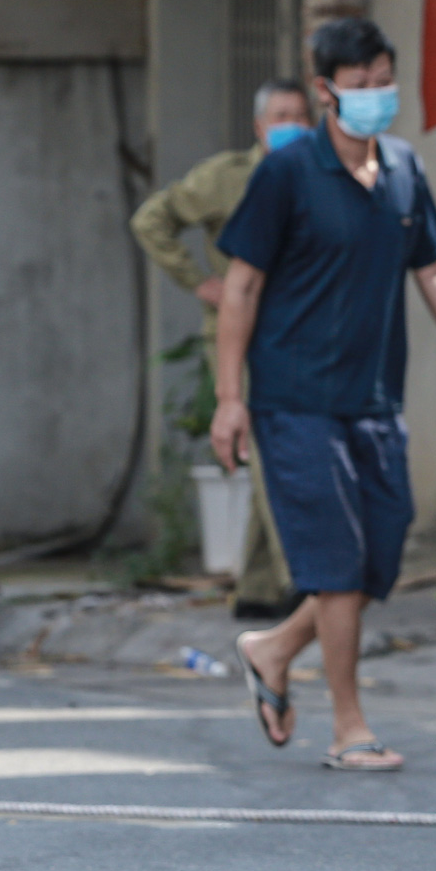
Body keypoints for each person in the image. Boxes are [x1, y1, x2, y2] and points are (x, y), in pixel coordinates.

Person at [212, 18, 436, 770]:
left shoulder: (405, 171)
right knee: (339, 568)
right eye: (361, 84)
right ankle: (350, 727)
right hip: (294, 400)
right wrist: (230, 396)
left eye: (385, 79)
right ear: (324, 91)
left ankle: (274, 646)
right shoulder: (286, 174)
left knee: (380, 554)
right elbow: (241, 287)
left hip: (375, 401)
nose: (378, 94)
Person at [130, 79, 314, 617]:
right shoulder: (226, 178)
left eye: (301, 117)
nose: (294, 127)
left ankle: (258, 591)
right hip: (239, 332)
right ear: (259, 126)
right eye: (282, 116)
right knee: (271, 450)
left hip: (296, 330)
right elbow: (152, 220)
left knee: (273, 448)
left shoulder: (316, 178)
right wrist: (198, 281)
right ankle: (300, 575)